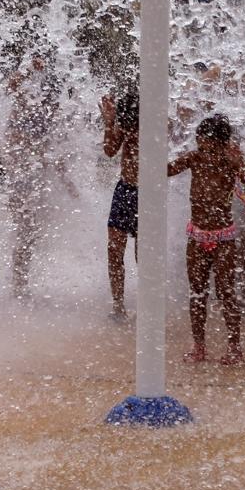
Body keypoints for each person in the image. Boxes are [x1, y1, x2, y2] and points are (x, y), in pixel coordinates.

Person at [169, 114, 245, 365]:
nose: (204, 148)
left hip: (223, 238)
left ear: (222, 144)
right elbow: (166, 170)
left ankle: (235, 346)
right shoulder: (194, 158)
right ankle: (199, 346)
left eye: (209, 144)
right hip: (197, 236)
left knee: (226, 292)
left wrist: (240, 167)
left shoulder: (231, 161)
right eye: (201, 142)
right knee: (197, 293)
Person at [3, 51, 61, 299]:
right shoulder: (23, 106)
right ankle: (19, 286)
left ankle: (21, 283)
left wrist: (68, 184)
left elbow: (52, 153)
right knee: (25, 230)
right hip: (19, 177)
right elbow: (12, 85)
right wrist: (29, 68)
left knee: (31, 233)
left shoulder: (47, 117)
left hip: (37, 180)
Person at [101, 91, 140, 321]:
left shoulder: (155, 127)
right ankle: (118, 306)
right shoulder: (125, 125)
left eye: (134, 126)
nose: (131, 131)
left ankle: (147, 304)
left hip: (149, 196)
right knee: (114, 251)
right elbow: (109, 151)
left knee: (143, 254)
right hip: (125, 191)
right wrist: (109, 123)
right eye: (127, 126)